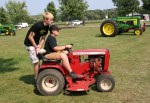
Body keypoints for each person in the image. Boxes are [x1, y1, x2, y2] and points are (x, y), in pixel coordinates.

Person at [24, 12, 54, 79]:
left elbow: (43, 38)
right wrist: (36, 47)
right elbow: (30, 37)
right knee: (36, 62)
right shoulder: (38, 25)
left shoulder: (47, 27)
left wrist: (39, 47)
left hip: (36, 44)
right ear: (45, 19)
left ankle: (40, 76)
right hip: (29, 44)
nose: (52, 21)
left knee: (40, 59)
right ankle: (37, 79)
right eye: (51, 19)